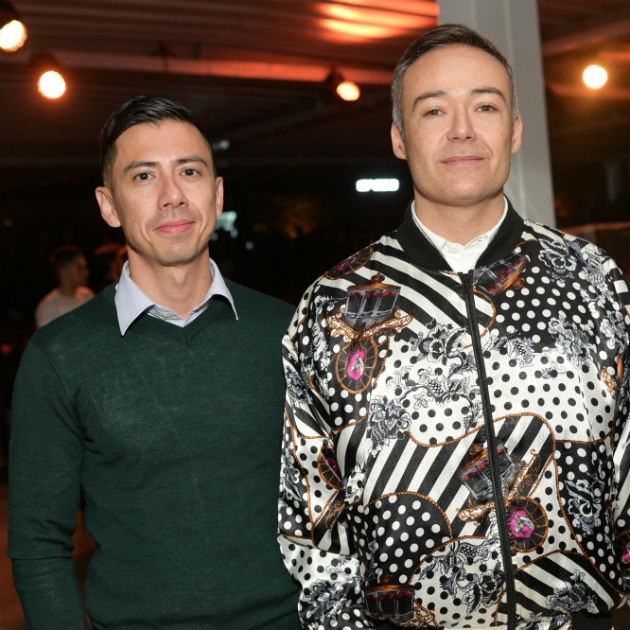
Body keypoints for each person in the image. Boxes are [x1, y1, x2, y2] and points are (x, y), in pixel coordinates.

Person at [278, 24, 630, 630]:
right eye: (434, 109)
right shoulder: (333, 305)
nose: (462, 129)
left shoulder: (592, 279)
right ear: (399, 136)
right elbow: (313, 517)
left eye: (485, 106)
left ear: (514, 130)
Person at [9, 95, 299, 629]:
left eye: (189, 171)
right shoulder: (58, 356)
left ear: (216, 194)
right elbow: (38, 543)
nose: (172, 196)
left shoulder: (287, 331)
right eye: (144, 176)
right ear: (109, 205)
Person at [34, 245, 94, 328]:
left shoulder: (87, 295)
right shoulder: (48, 307)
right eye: (79, 267)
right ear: (65, 271)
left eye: (85, 267)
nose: (86, 272)